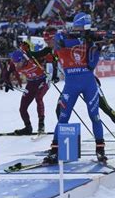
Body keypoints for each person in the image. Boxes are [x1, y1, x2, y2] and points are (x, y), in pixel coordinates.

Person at [44, 12, 106, 164]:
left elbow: (92, 65)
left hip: (88, 82)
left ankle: (100, 150)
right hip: (71, 84)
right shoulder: (62, 36)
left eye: (85, 28)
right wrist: (82, 39)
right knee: (63, 118)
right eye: (81, 27)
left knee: (95, 116)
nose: (83, 30)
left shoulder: (88, 40)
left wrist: (97, 47)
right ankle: (54, 150)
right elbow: (62, 43)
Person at [6, 49, 49, 135]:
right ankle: (28, 127)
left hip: (43, 80)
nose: (16, 65)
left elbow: (48, 53)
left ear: (23, 59)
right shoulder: (14, 63)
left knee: (38, 98)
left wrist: (54, 74)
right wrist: (7, 82)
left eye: (18, 63)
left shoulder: (32, 59)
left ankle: (41, 125)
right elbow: (6, 72)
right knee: (22, 108)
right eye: (14, 63)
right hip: (31, 83)